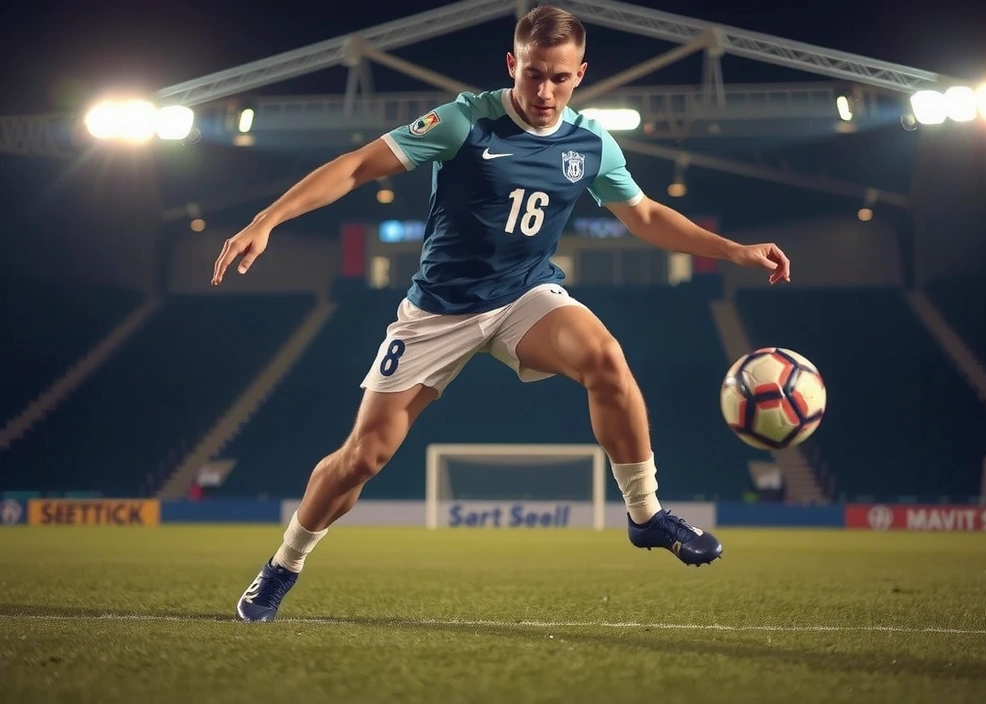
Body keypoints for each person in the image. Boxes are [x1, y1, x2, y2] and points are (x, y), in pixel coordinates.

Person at [213, 5, 791, 623]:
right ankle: (284, 564)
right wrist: (267, 220)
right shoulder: (463, 121)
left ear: (580, 75)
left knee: (606, 358)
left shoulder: (591, 143)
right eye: (533, 74)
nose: (544, 92)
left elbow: (645, 215)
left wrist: (733, 250)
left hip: (524, 297)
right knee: (363, 457)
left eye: (560, 78)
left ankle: (646, 514)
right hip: (438, 311)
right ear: (512, 64)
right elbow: (357, 166)